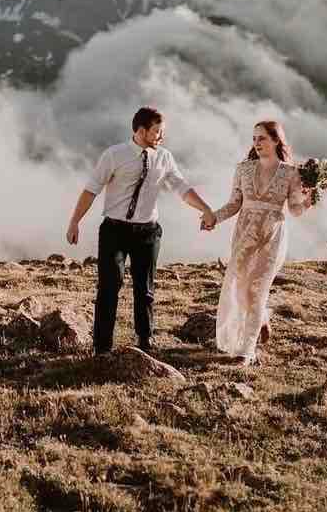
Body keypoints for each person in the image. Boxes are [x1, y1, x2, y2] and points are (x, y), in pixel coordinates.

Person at [67, 106, 217, 354]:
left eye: (162, 132)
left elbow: (181, 187)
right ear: (140, 130)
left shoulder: (164, 157)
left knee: (145, 288)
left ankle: (145, 341)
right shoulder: (114, 155)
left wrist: (206, 209)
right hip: (114, 231)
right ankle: (102, 347)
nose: (161, 137)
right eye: (157, 132)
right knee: (109, 286)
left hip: (148, 231)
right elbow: (91, 189)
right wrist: (74, 222)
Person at [202, 120, 327, 365]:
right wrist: (214, 218)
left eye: (262, 138)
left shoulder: (290, 172)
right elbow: (234, 204)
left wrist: (311, 198)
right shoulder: (242, 169)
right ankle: (262, 317)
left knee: (257, 289)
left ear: (276, 140)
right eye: (254, 138)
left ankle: (246, 351)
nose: (257, 143)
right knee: (240, 289)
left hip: (272, 235)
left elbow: (294, 209)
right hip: (244, 233)